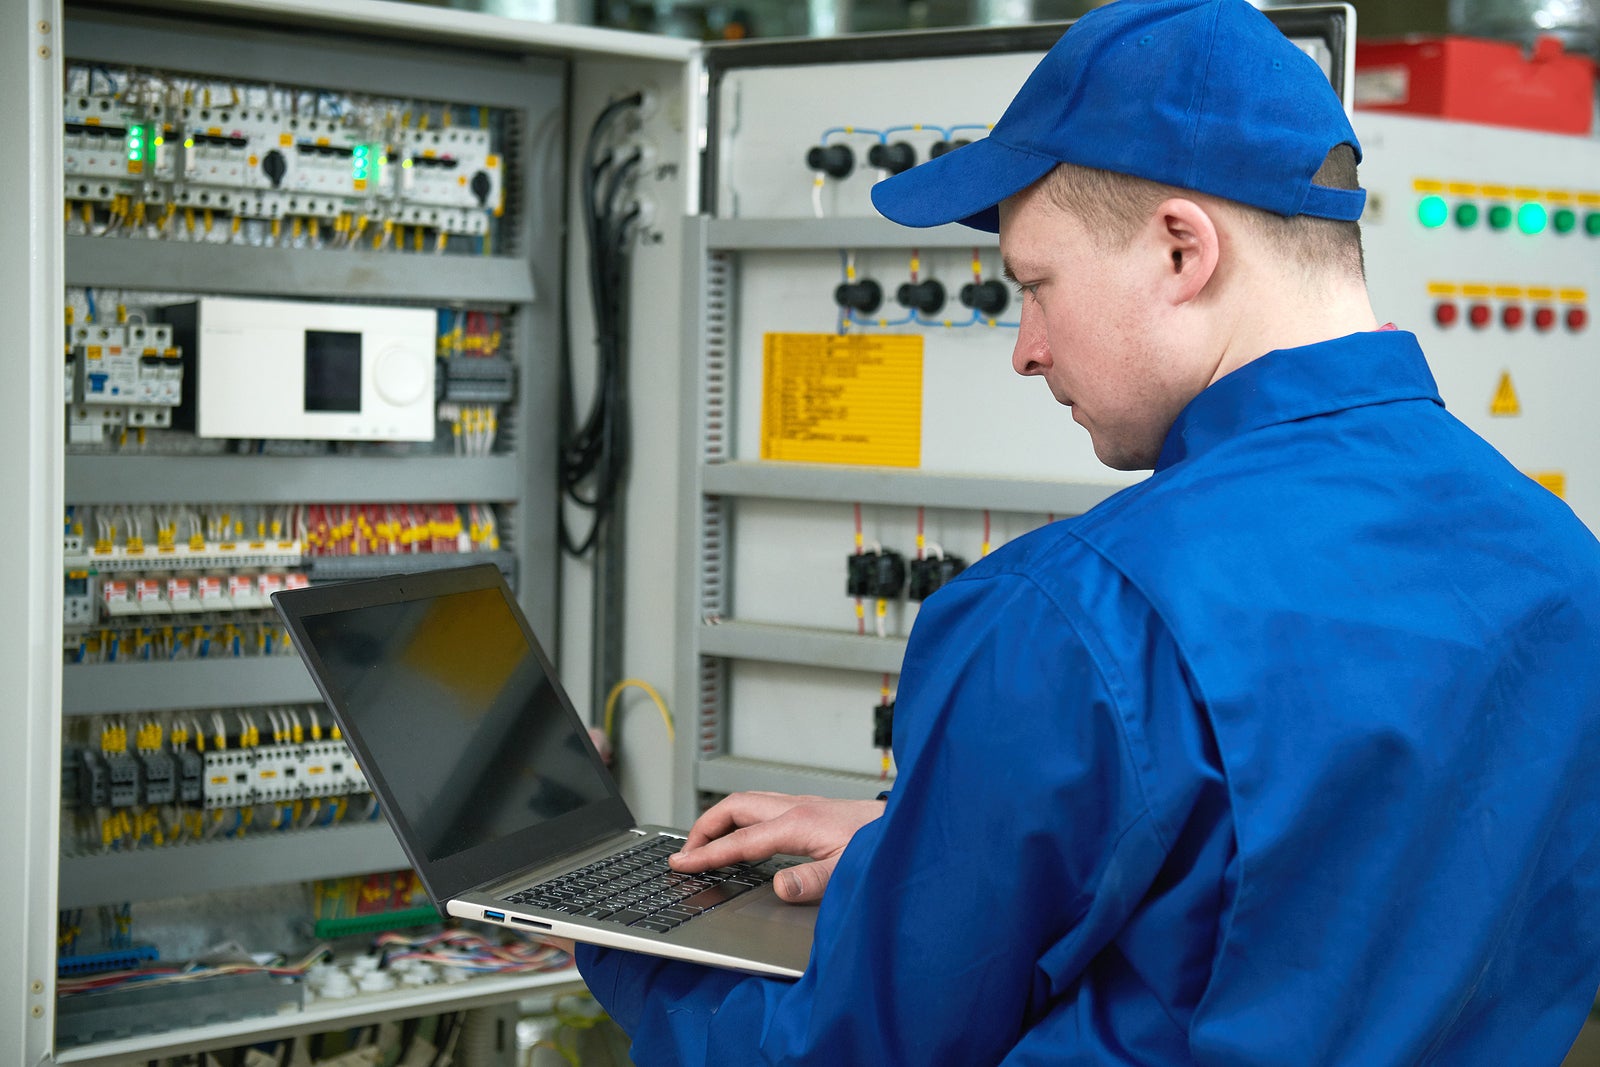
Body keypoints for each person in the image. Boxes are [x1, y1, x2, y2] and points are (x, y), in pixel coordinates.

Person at [576, 0, 1600, 1061]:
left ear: (1179, 250)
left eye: (1035, 285)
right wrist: (915, 845)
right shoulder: (1561, 563)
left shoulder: (1074, 616)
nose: (1026, 350)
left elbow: (847, 1049)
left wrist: (623, 936)